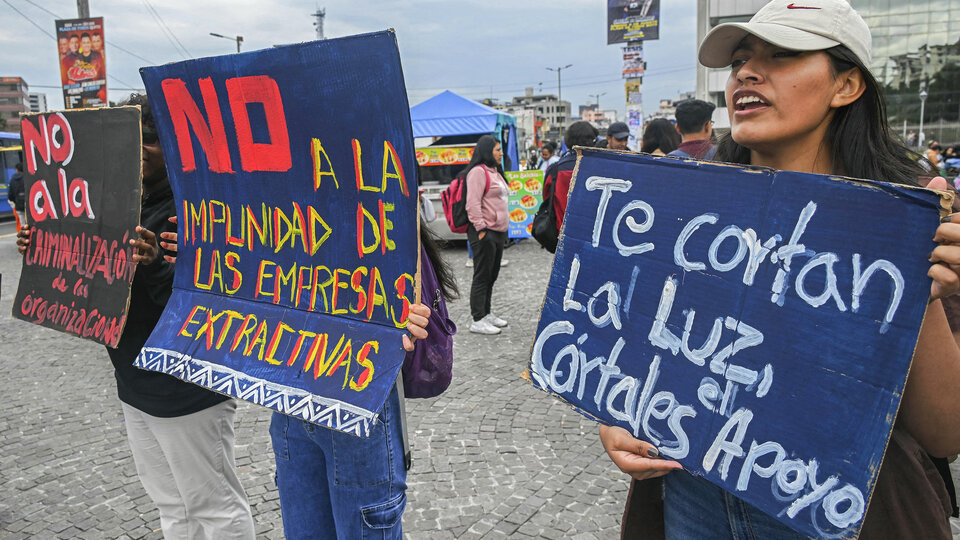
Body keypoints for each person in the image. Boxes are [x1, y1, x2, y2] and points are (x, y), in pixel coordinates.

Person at [600, 1, 960, 538]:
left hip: (839, 510)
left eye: (784, 55)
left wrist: (917, 297)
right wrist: (617, 415)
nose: (747, 71)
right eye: (740, 60)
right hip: (693, 498)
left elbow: (944, 432)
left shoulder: (913, 217)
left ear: (847, 85)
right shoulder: (685, 213)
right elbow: (642, 347)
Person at [18, 94, 256, 540]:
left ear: (176, 148)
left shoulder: (201, 208)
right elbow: (84, 281)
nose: (139, 149)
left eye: (150, 140)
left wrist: (154, 265)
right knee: (171, 505)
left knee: (214, 506)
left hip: (187, 390)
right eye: (131, 140)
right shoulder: (113, 202)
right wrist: (44, 247)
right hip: (133, 380)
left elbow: (209, 307)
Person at [158, 197, 445, 540]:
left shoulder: (373, 195)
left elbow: (403, 286)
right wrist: (207, 255)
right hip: (293, 399)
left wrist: (406, 312)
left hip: (358, 400)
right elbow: (263, 262)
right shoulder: (281, 195)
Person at [460, 134, 509, 335]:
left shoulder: (495, 172)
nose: (501, 153)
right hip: (485, 232)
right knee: (481, 276)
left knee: (492, 275)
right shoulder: (478, 173)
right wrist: (481, 229)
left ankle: (486, 313)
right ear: (487, 151)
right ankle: (477, 319)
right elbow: (472, 204)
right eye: (497, 150)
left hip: (498, 232)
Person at [545, 120, 599, 233]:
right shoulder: (601, 169)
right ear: (592, 142)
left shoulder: (555, 169)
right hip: (594, 234)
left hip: (563, 234)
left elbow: (546, 198)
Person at [7, 162, 24, 226]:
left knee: (23, 225)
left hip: (19, 205)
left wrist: (16, 201)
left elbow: (10, 196)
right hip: (28, 205)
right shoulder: (27, 178)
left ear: (17, 170)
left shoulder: (12, 180)